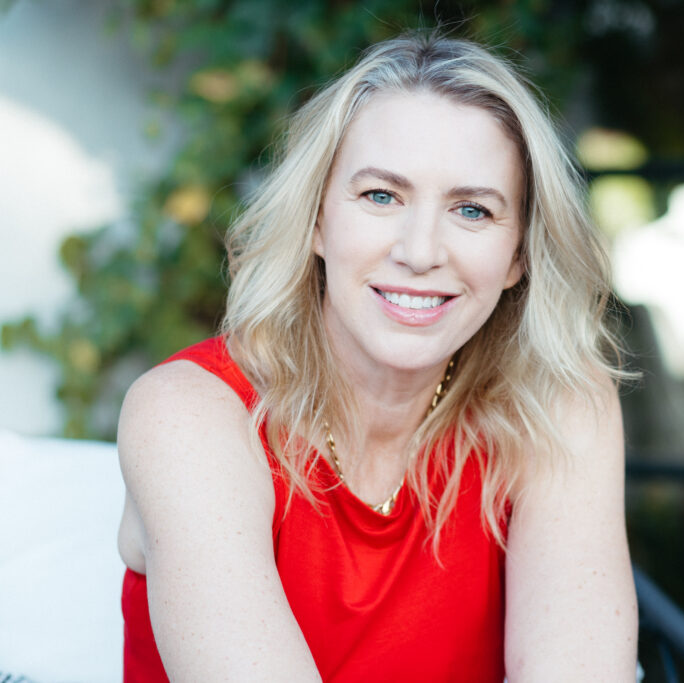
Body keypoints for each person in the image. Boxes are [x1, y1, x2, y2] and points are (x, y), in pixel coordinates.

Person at [117, 33, 637, 682]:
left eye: (472, 209)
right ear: (316, 221)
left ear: (518, 256)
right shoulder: (191, 414)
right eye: (381, 196)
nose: (420, 251)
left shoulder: (558, 405)